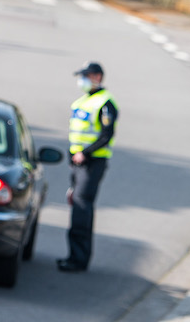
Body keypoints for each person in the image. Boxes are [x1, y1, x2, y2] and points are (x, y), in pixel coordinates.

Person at [58, 61, 119, 273]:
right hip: (78, 163)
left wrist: (86, 153)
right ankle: (73, 256)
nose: (82, 80)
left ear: (98, 77)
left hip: (92, 163)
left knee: (82, 207)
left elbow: (106, 135)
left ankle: (78, 259)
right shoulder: (83, 101)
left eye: (86, 76)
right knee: (76, 203)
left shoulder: (105, 103)